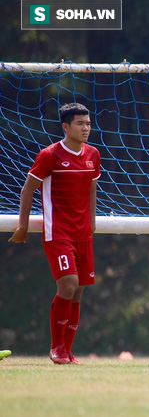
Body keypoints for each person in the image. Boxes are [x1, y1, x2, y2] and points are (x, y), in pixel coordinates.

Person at [9, 103, 101, 365]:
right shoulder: (49, 155)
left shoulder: (93, 154)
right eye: (80, 124)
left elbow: (92, 189)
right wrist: (23, 226)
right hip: (58, 233)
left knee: (79, 290)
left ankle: (68, 352)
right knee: (68, 284)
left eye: (88, 123)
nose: (86, 128)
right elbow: (28, 190)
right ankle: (56, 347)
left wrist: (92, 222)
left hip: (83, 234)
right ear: (65, 127)